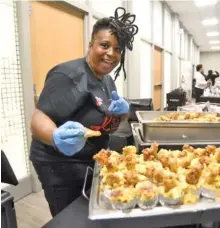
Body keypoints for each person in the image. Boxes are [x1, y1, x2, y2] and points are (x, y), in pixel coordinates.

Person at [29, 7, 138, 217]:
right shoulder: (69, 75)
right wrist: (55, 136)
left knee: (90, 213)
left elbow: (110, 114)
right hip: (59, 163)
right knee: (71, 217)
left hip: (91, 159)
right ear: (91, 45)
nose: (111, 54)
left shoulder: (107, 79)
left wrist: (124, 111)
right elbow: (38, 118)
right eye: (104, 45)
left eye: (117, 49)